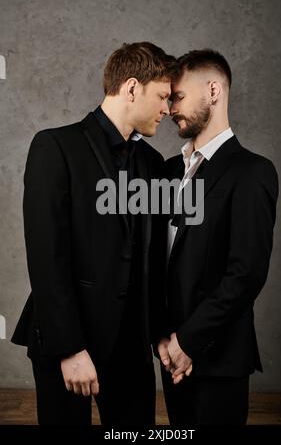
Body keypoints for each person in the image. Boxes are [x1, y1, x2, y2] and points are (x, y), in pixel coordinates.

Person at [12, 42, 175, 425]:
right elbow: (46, 255)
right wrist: (70, 349)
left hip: (132, 352)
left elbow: (150, 261)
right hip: (67, 343)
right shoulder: (55, 146)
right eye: (163, 97)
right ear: (132, 88)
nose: (168, 110)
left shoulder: (152, 163)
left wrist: (162, 333)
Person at [158, 49, 279, 425]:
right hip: (169, 357)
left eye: (178, 96)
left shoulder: (252, 172)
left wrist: (187, 343)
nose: (170, 107)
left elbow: (245, 274)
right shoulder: (166, 171)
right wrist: (165, 340)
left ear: (213, 90)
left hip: (218, 359)